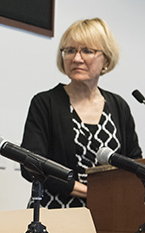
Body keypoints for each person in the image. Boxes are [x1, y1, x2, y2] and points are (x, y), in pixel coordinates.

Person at [20, 17, 141, 208]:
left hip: (111, 213)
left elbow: (134, 164)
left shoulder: (119, 106)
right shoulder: (45, 103)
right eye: (70, 51)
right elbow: (31, 165)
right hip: (57, 213)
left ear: (106, 60)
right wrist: (90, 193)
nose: (76, 58)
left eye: (87, 51)